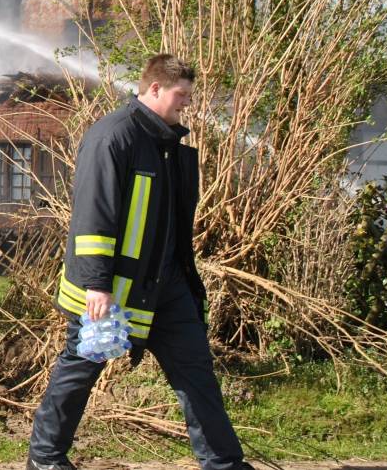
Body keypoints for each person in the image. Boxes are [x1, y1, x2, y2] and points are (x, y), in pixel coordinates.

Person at [27, 54, 252, 470]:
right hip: (109, 291)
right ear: (154, 90)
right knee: (78, 372)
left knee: (196, 375)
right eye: (182, 95)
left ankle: (224, 464)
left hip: (166, 288)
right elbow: (93, 215)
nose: (188, 104)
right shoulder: (113, 137)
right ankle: (45, 459)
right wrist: (97, 284)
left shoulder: (164, 144)